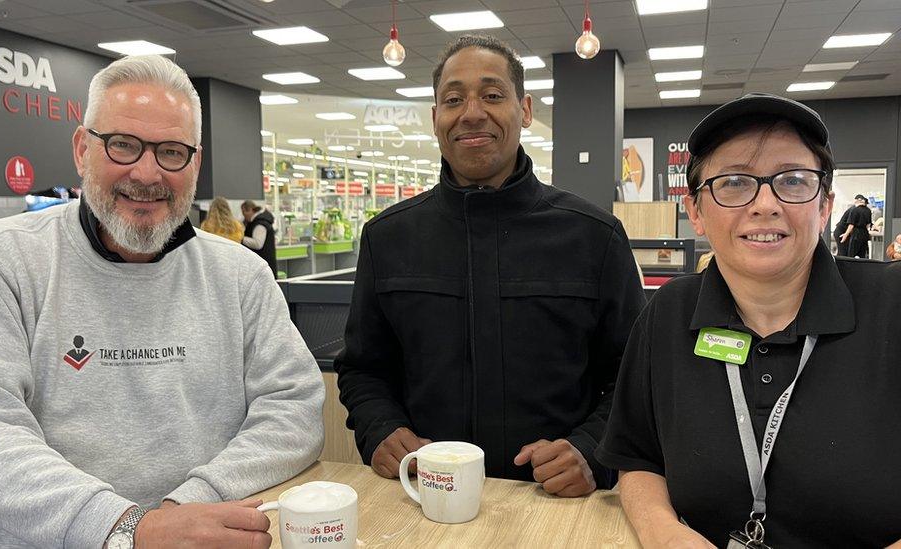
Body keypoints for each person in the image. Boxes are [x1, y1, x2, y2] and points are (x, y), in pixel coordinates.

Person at [0, 55, 324, 549]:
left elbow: (293, 406)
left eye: (172, 152)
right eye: (123, 145)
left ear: (195, 163)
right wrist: (127, 530)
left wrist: (187, 506)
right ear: (82, 149)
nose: (147, 172)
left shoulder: (241, 276)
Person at [334, 34, 645, 496]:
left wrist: (590, 448)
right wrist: (379, 428)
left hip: (555, 505)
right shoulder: (388, 238)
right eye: (453, 99)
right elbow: (364, 369)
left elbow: (632, 373)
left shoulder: (594, 237)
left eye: (493, 95)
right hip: (426, 497)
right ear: (435, 118)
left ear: (525, 110)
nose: (472, 112)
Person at [597, 93, 901, 547]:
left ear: (824, 206)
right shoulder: (667, 314)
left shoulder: (892, 305)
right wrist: (661, 531)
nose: (764, 204)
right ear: (695, 210)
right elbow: (637, 456)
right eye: (735, 182)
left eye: (793, 181)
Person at [241, 200, 277, 277]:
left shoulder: (259, 224)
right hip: (266, 265)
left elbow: (258, 244)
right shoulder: (261, 221)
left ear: (250, 210)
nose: (244, 216)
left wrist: (241, 238)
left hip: (263, 266)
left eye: (244, 213)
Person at [840, 193, 873, 258]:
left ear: (858, 200)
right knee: (862, 255)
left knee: (852, 255)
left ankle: (851, 268)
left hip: (856, 234)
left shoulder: (854, 210)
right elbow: (868, 224)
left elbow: (851, 225)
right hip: (865, 234)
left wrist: (845, 235)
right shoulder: (868, 210)